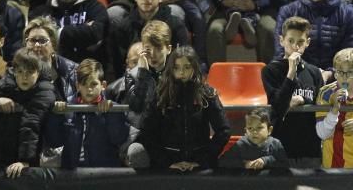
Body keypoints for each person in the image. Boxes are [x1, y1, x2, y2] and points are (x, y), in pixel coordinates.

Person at [138, 47, 229, 172]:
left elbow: (224, 130)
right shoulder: (160, 93)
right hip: (167, 163)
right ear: (171, 69)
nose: (182, 72)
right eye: (177, 67)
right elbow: (145, 132)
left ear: (194, 68)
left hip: (200, 164)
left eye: (187, 67)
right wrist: (165, 162)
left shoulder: (207, 93)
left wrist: (202, 160)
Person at [0, 48, 55, 178]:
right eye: (20, 71)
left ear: (38, 72)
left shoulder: (44, 91)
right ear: (14, 72)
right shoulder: (3, 84)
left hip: (28, 157)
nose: (24, 77)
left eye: (30, 72)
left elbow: (31, 122)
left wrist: (26, 160)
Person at [263, 16, 325, 168]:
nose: (295, 47)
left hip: (310, 148)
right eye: (290, 41)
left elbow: (320, 107)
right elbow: (277, 106)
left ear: (307, 43)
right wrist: (291, 73)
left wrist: (298, 101)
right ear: (281, 40)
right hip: (281, 146)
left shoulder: (314, 72)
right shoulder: (271, 70)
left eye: (300, 42)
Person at [111, 21, 174, 167]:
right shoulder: (133, 75)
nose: (153, 54)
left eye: (158, 48)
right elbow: (136, 106)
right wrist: (143, 74)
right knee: (136, 153)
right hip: (142, 138)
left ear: (169, 49)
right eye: (148, 49)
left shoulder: (178, 75)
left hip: (171, 137)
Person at [108, 0, 190, 79]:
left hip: (168, 84)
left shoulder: (175, 25)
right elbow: (116, 66)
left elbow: (184, 62)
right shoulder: (123, 27)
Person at [53, 59, 128, 169]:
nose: (89, 89)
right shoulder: (67, 107)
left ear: (103, 85)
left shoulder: (113, 108)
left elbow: (119, 139)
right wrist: (56, 115)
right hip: (72, 173)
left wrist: (110, 114)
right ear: (77, 86)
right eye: (84, 84)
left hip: (104, 173)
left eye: (93, 84)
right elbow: (55, 141)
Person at [22, 17, 79, 112]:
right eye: (32, 40)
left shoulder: (73, 71)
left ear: (53, 44)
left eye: (42, 41)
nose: (37, 45)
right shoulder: (15, 69)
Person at [219, 108, 288, 170]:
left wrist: (265, 161)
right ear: (245, 130)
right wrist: (244, 164)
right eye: (250, 128)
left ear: (269, 130)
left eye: (259, 128)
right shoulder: (240, 145)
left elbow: (285, 164)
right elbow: (222, 161)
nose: (254, 132)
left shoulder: (276, 144)